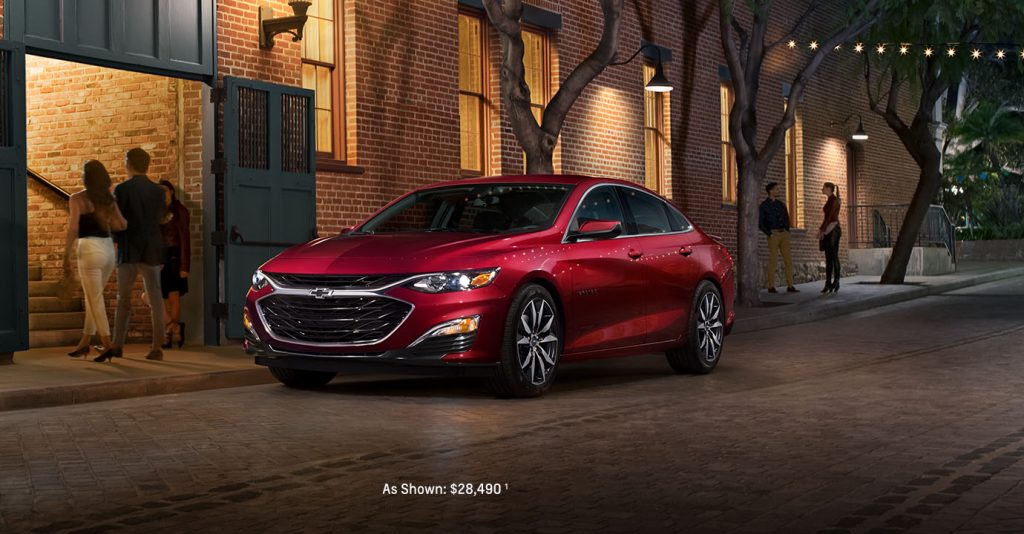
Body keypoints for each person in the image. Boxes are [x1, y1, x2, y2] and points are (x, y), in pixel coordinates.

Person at [96, 148, 167, 362]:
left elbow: (117, 221)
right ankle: (157, 347)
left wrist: (115, 242)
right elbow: (161, 219)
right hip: (152, 249)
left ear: (130, 163)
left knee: (123, 299)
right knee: (155, 299)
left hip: (129, 249)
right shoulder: (158, 191)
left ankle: (117, 344)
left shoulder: (123, 189)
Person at [63, 161, 128, 358]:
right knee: (94, 296)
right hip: (108, 249)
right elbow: (122, 225)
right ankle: (84, 342)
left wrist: (65, 255)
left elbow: (74, 228)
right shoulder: (109, 200)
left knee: (94, 298)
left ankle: (108, 344)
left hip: (88, 249)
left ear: (86, 177)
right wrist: (106, 220)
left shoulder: (77, 199)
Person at [158, 180, 191, 349]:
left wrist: (185, 266)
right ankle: (174, 326)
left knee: (173, 297)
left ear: (171, 191)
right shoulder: (156, 211)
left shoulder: (180, 211)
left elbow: (185, 239)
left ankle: (169, 335)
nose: (161, 193)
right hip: (159, 258)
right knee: (153, 296)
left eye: (164, 190)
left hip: (175, 257)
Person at [759, 182, 798, 293]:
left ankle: (790, 285)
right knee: (773, 260)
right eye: (776, 189)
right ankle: (771, 286)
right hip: (773, 234)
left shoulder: (781, 205)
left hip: (784, 234)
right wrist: (769, 233)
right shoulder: (764, 206)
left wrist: (787, 230)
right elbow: (760, 223)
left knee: (788, 260)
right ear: (771, 191)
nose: (778, 191)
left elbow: (786, 217)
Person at [818, 182, 842, 294]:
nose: (822, 189)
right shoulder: (829, 200)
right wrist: (823, 229)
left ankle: (836, 282)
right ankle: (828, 283)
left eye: (823, 187)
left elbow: (830, 216)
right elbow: (827, 217)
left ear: (828, 189)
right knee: (828, 259)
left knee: (833, 257)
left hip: (833, 230)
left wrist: (821, 229)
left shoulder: (835, 200)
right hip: (829, 230)